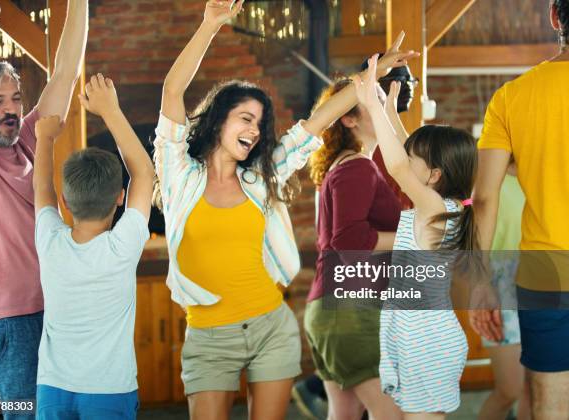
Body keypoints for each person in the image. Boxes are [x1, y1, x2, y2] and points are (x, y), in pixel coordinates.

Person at [152, 2, 416, 419]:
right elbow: (171, 92)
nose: (255, 130)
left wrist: (372, 76)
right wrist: (208, 26)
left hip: (270, 326)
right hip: (207, 334)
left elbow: (318, 121)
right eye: (245, 118)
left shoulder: (260, 179)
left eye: (259, 123)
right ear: (218, 121)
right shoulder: (180, 176)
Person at [0, 0, 88, 414]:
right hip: (9, 321)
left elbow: (67, 69)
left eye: (15, 99)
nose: (11, 110)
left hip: (59, 308)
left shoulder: (33, 138)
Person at [293, 57, 417, 420]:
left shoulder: (347, 165)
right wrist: (412, 235)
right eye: (374, 100)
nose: (382, 105)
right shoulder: (357, 167)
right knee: (391, 416)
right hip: (348, 311)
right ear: (348, 118)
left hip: (333, 308)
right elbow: (349, 242)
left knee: (344, 414)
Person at [355, 54, 476, 418]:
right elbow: (407, 154)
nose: (406, 168)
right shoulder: (439, 203)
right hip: (418, 339)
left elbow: (396, 164)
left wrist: (373, 107)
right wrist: (390, 111)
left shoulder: (435, 210)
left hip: (429, 345)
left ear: (434, 175)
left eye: (415, 165)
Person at [471, 1, 569, 418]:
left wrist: (480, 281)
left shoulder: (511, 96)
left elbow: (484, 198)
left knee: (548, 402)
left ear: (554, 16)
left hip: (545, 272)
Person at [32, 75, 152, 419]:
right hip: (109, 392)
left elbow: (42, 187)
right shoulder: (121, 248)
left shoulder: (51, 243)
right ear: (119, 198)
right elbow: (143, 174)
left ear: (65, 204)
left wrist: (45, 139)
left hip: (53, 389)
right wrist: (110, 111)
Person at [477, 160, 529, 420]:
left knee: (538, 388)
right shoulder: (487, 178)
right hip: (500, 286)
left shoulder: (550, 175)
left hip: (548, 282)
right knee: (510, 389)